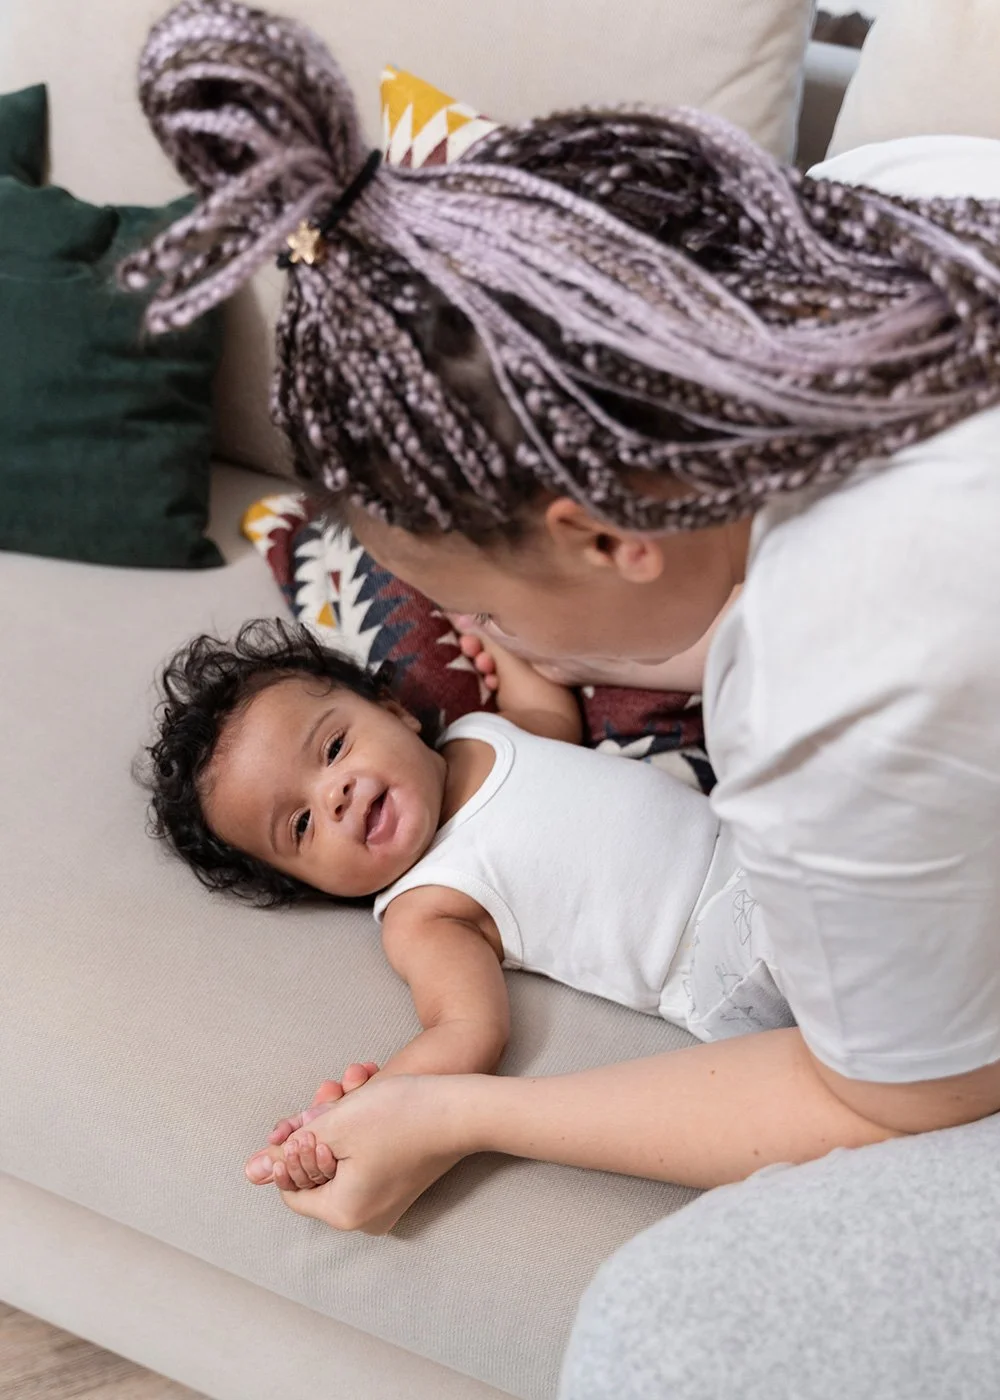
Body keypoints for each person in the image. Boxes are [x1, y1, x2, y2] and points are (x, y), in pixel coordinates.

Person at [124, 0, 1000, 1250]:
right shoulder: (867, 202)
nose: (474, 632)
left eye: (476, 600)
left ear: (599, 532)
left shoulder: (827, 688)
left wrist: (455, 1117)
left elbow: (914, 1101)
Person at [145, 616, 752, 1133]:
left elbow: (546, 715)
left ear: (395, 714)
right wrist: (357, 1114)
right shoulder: (424, 907)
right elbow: (465, 1028)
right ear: (311, 886)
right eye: (300, 825)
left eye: (333, 749)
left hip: (758, 841)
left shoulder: (478, 733)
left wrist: (491, 630)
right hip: (724, 952)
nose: (335, 795)